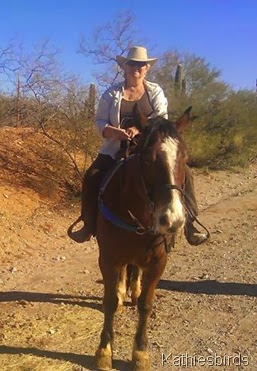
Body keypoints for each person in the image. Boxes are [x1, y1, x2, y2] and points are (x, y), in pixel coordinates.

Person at [69, 46, 208, 246]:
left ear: (147, 69)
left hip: (149, 148)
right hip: (115, 148)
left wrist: (139, 129)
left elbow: (161, 118)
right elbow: (99, 121)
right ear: (124, 67)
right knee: (92, 176)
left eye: (141, 65)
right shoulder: (111, 94)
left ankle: (190, 223)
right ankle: (89, 224)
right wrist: (113, 132)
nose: (136, 68)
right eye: (132, 63)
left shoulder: (155, 91)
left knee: (185, 173)